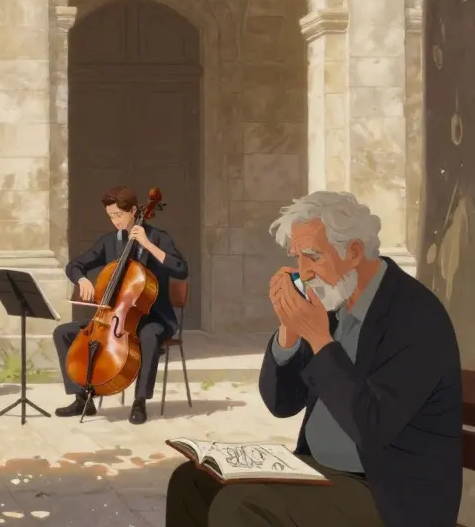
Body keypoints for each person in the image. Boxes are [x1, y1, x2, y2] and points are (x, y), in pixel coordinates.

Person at [165, 191, 463, 526]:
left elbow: (372, 428)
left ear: (354, 252)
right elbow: (281, 403)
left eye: (312, 256)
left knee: (241, 506)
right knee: (190, 482)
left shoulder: (414, 316)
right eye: (297, 257)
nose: (304, 273)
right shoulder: (335, 302)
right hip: (319, 471)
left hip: (391, 491)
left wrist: (320, 340)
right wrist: (289, 330)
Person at [51, 185, 188, 424]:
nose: (115, 221)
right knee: (62, 332)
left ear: (133, 211)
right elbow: (75, 265)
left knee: (149, 335)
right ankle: (82, 398)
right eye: (111, 216)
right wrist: (81, 279)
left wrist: (147, 244)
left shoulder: (157, 237)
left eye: (119, 215)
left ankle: (139, 402)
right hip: (115, 318)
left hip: (154, 316)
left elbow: (181, 269)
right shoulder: (110, 242)